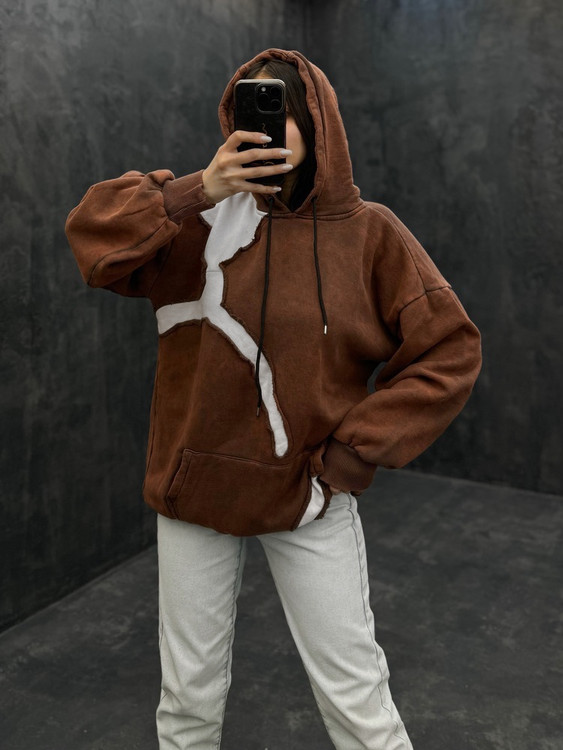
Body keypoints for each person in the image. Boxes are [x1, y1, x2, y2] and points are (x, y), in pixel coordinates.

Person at [65, 48, 482, 750]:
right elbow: (93, 240)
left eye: (284, 112)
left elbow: (450, 348)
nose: (265, 128)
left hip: (306, 495)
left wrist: (351, 455)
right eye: (251, 112)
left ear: (317, 125)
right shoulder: (193, 221)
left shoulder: (368, 232)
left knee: (356, 696)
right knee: (187, 702)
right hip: (194, 492)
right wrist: (199, 189)